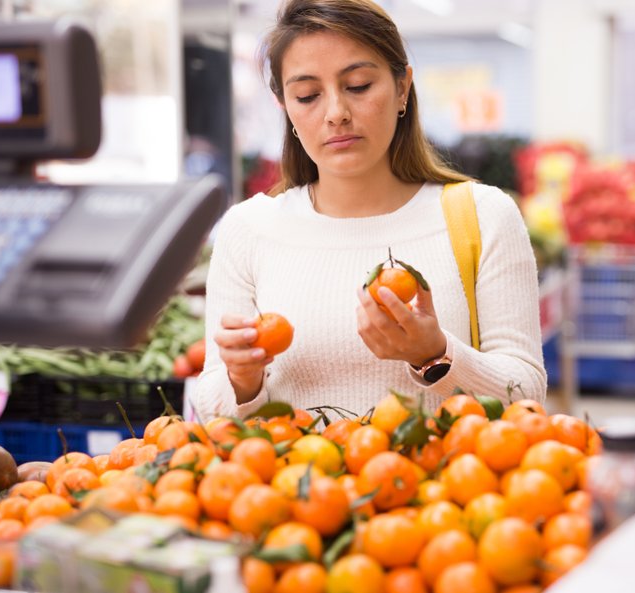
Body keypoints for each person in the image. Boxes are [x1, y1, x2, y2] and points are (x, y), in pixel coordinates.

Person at [192, 0, 546, 421]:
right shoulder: (248, 230)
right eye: (307, 95)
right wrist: (242, 379)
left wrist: (435, 355)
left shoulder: (485, 217)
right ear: (284, 106)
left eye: (358, 85)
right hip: (293, 485)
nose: (336, 113)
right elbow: (212, 405)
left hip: (445, 485)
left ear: (402, 88)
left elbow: (526, 392)